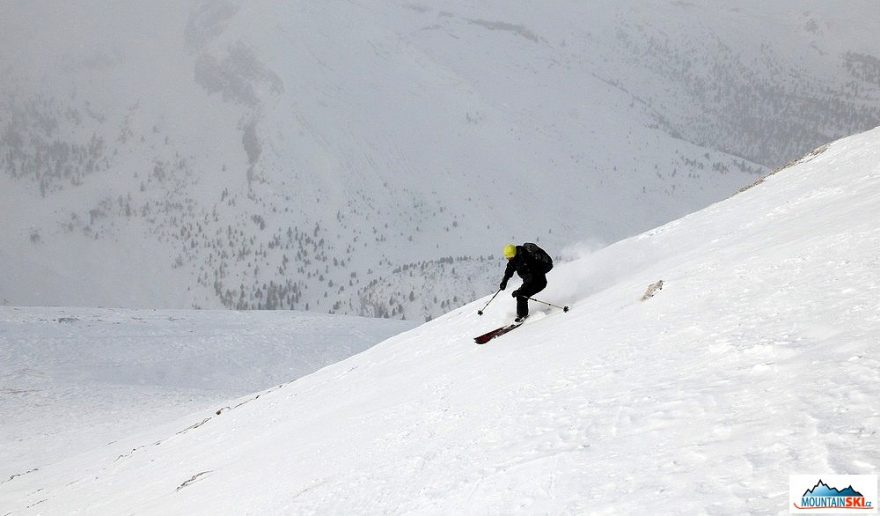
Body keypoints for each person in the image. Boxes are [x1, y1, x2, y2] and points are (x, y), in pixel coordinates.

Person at [498, 243, 551, 322]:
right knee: (521, 295)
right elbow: (509, 270)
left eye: (510, 257)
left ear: (514, 254)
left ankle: (522, 316)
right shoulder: (514, 259)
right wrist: (504, 282)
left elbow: (530, 279)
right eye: (507, 258)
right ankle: (522, 316)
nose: (509, 259)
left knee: (521, 295)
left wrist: (520, 290)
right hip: (531, 280)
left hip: (539, 281)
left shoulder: (527, 259)